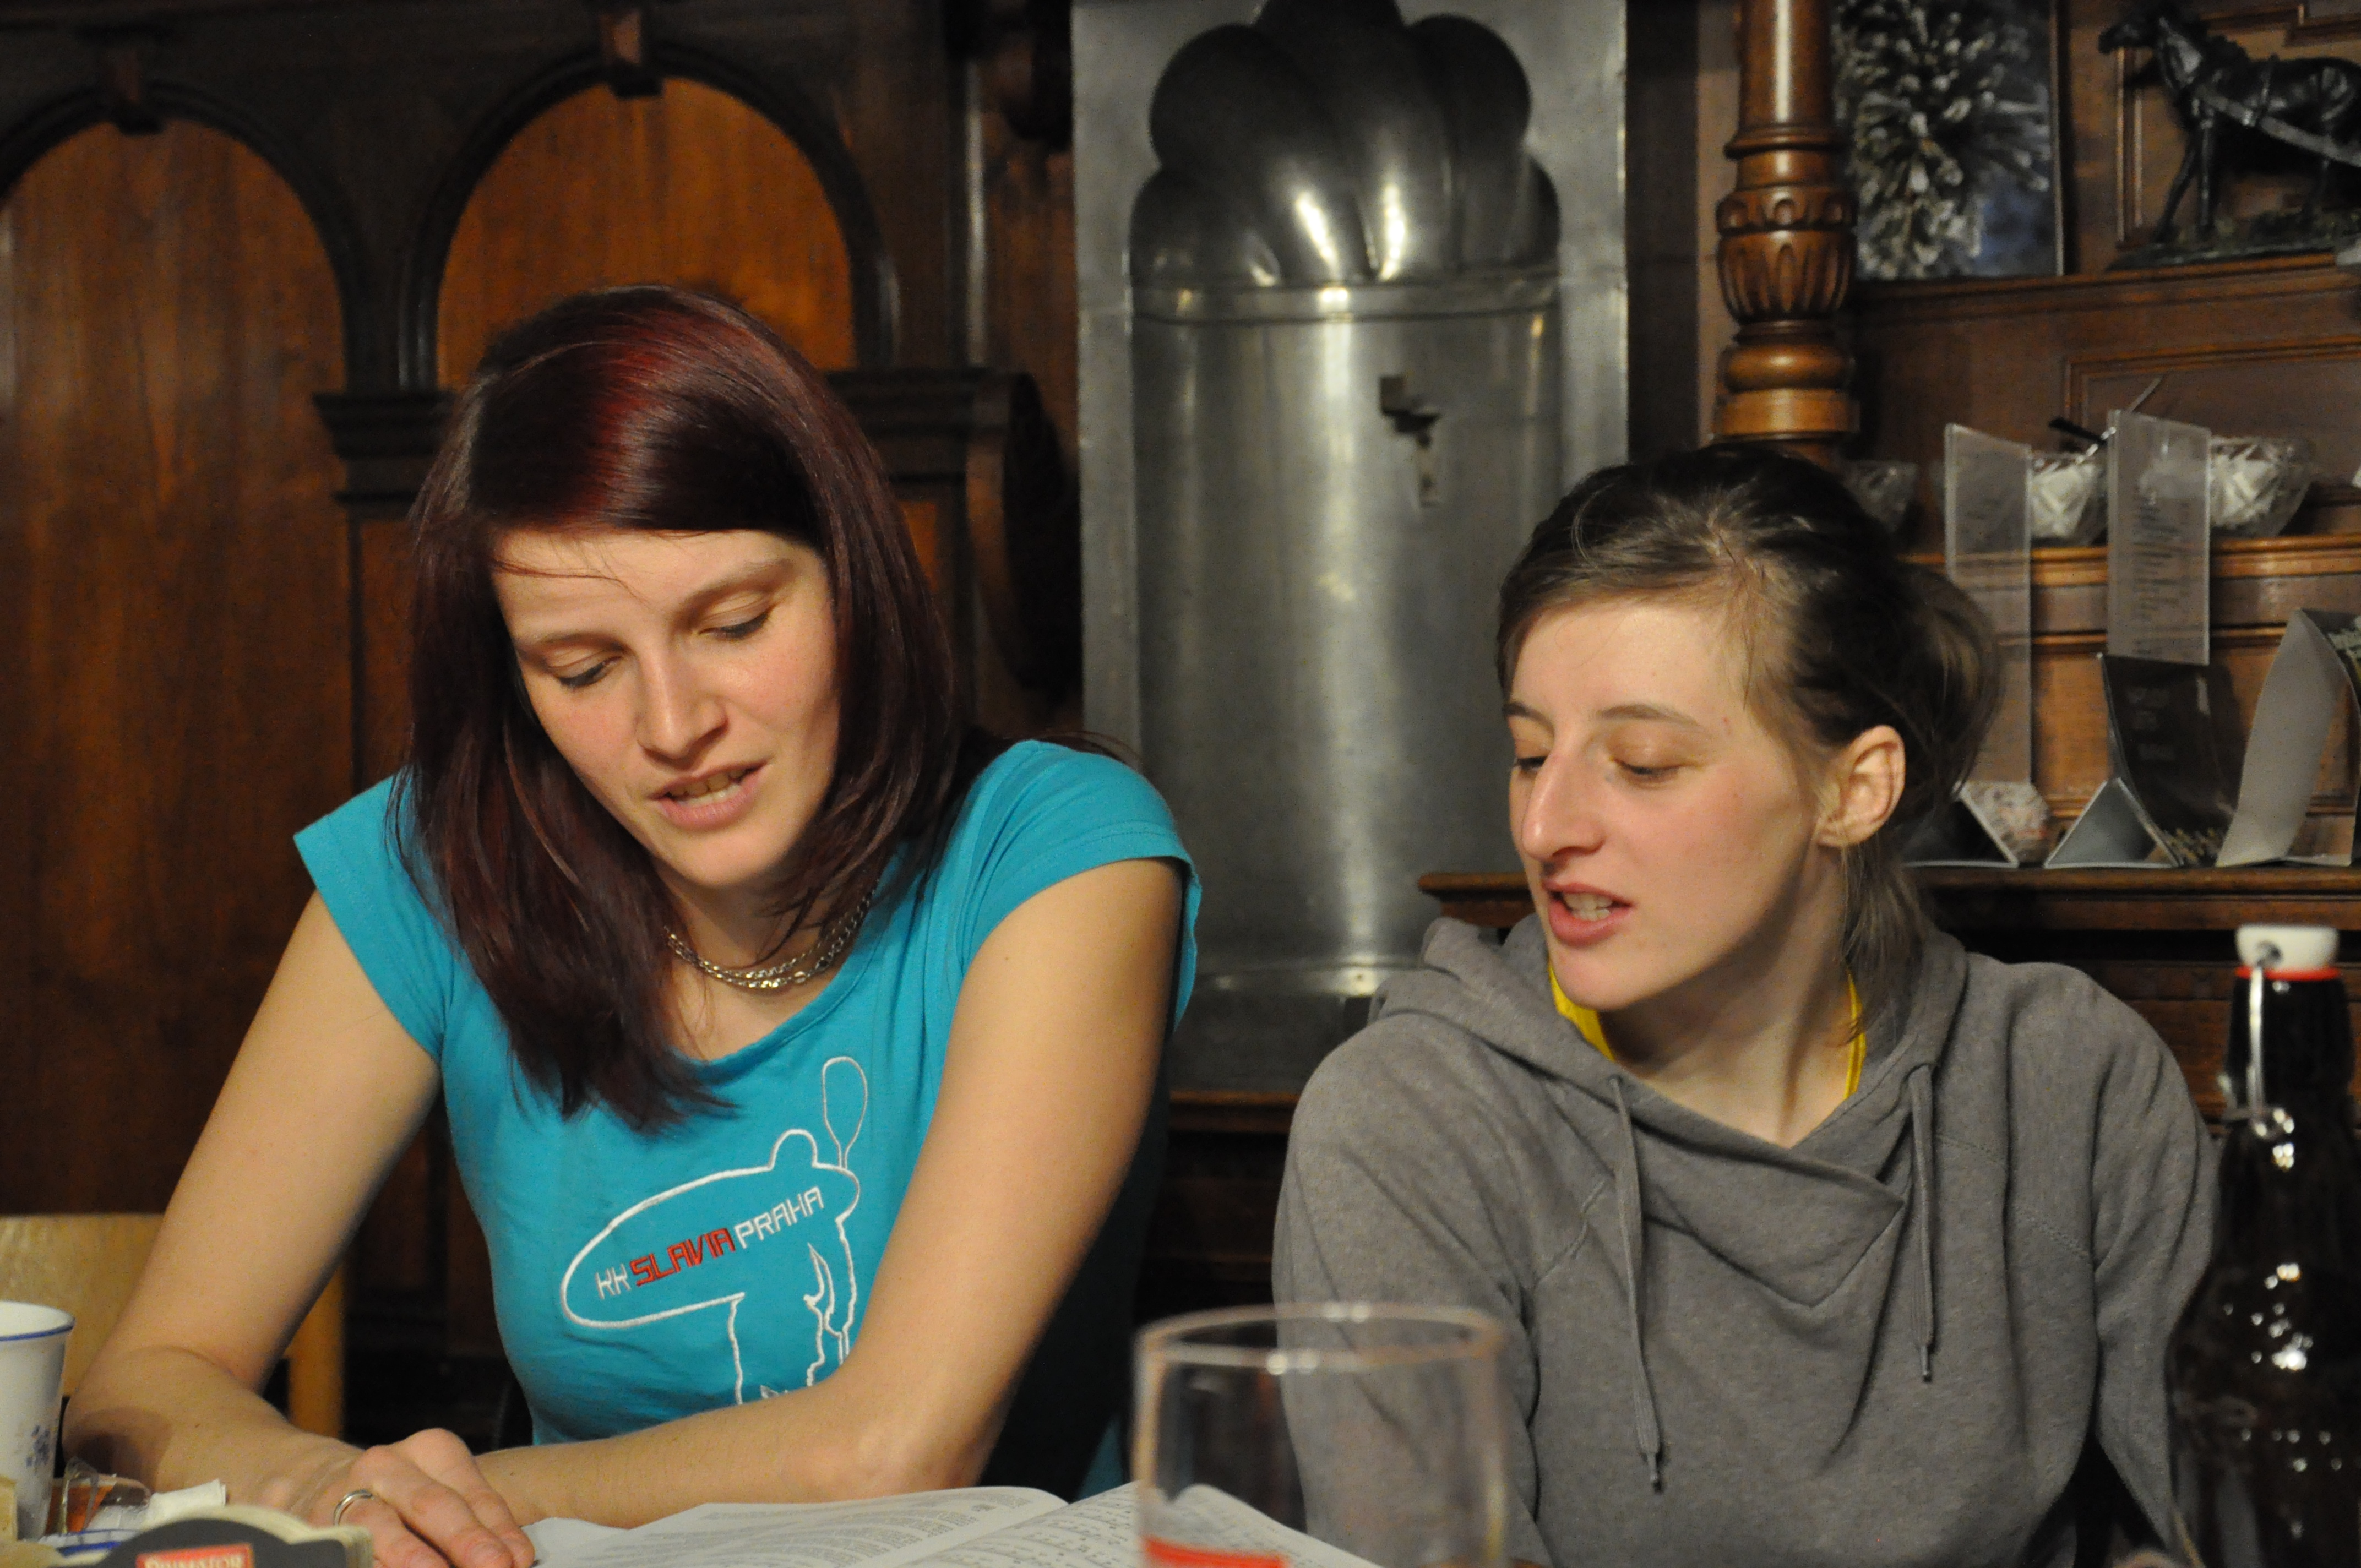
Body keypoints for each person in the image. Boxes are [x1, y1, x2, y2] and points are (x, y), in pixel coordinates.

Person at [67, 287, 1196, 1568]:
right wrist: (329, 1485)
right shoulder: (432, 865)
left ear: (855, 580)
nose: (673, 725)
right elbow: (146, 1377)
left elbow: (892, 1449)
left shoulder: (1057, 845)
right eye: (584, 667)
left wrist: (458, 1497)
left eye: (734, 623)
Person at [1273, 445, 2215, 1568]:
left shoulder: (2066, 1076)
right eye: (1530, 754)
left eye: (1641, 763)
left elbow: (2262, 1519)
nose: (1543, 826)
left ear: (1852, 789)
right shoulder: (1409, 1120)